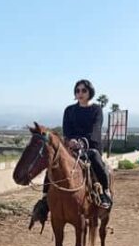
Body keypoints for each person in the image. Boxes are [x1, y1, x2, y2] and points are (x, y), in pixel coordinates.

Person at [30, 79, 112, 228]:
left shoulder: (96, 110)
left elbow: (95, 129)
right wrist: (70, 141)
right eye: (78, 90)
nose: (80, 93)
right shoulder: (69, 110)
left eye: (83, 91)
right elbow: (66, 130)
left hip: (89, 145)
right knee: (53, 164)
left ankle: (104, 193)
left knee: (95, 158)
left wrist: (82, 142)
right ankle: (44, 200)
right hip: (71, 147)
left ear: (89, 93)